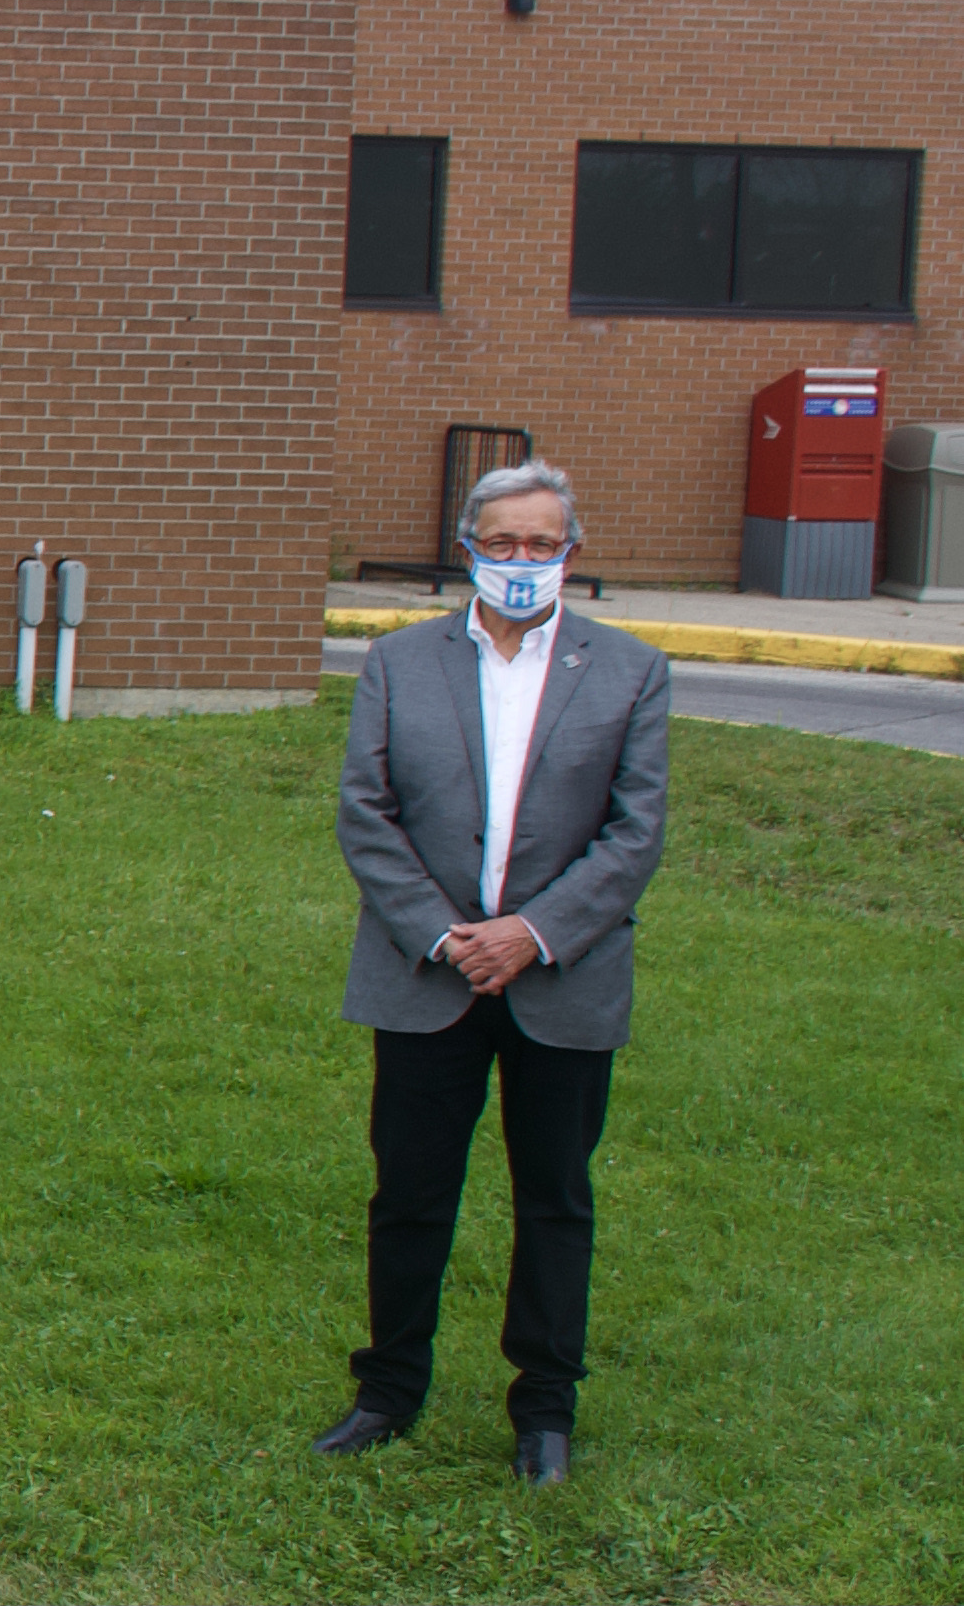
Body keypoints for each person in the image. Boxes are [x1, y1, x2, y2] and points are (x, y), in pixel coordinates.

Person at [314, 459, 668, 1487]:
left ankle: (543, 1410)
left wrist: (529, 933)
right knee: (409, 1193)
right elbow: (365, 815)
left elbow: (632, 831)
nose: (520, 561)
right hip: (424, 978)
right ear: (466, 545)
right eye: (502, 542)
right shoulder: (396, 663)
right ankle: (386, 1392)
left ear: (570, 553)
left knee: (553, 1197)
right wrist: (447, 935)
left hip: (563, 979)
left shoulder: (630, 671)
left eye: (540, 544)